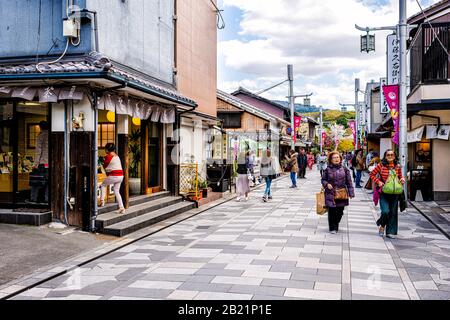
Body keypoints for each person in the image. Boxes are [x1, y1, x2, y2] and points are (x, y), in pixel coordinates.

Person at [369, 149, 406, 239]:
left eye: (391, 155)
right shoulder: (381, 165)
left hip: (395, 193)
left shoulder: (397, 166)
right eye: (388, 155)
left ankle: (390, 232)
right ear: (385, 156)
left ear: (394, 156)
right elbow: (372, 174)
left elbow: (400, 176)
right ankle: (382, 226)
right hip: (384, 192)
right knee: (385, 211)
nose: (390, 156)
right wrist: (379, 182)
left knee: (393, 213)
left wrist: (402, 179)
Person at [321, 151, 355, 234]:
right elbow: (323, 180)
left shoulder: (345, 169)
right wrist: (326, 184)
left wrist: (351, 193)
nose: (336, 159)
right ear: (331, 159)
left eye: (337, 157)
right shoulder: (327, 169)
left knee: (340, 211)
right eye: (334, 158)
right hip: (330, 193)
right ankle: (332, 227)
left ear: (340, 159)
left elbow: (349, 182)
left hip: (341, 192)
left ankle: (336, 223)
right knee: (332, 210)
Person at [99, 143, 125, 213]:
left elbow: (104, 166)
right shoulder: (117, 156)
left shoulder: (108, 156)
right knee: (117, 191)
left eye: (105, 149)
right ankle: (121, 207)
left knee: (103, 185)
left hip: (114, 175)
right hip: (121, 176)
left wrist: (102, 161)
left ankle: (102, 201)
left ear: (107, 149)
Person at [29, 121, 49, 203]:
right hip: (48, 163)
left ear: (40, 127)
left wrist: (35, 164)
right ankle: (47, 199)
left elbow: (38, 151)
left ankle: (33, 198)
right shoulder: (50, 135)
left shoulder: (41, 136)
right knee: (47, 182)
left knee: (35, 181)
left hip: (42, 162)